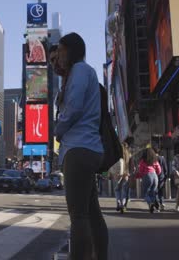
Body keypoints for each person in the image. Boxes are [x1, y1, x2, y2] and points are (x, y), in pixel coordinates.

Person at [54, 33, 107, 260]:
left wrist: (57, 129)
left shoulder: (81, 71)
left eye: (61, 50)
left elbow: (73, 107)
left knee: (78, 216)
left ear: (71, 50)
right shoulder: (79, 73)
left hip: (78, 148)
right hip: (87, 148)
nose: (59, 56)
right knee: (91, 213)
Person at [136, 148, 161, 213]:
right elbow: (159, 170)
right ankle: (152, 205)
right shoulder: (155, 161)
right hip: (155, 176)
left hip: (147, 176)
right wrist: (156, 173)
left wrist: (139, 176)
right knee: (153, 192)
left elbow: (141, 171)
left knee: (145, 193)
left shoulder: (143, 161)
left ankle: (150, 203)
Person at [110, 142, 131, 213]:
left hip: (117, 174)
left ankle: (118, 202)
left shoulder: (115, 155)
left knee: (117, 190)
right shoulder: (128, 154)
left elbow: (111, 165)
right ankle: (123, 205)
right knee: (124, 190)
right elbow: (132, 166)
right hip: (126, 174)